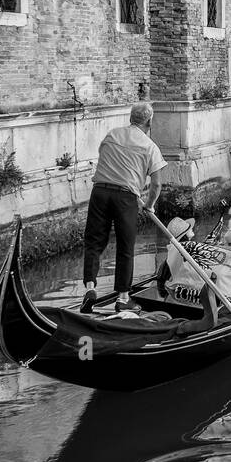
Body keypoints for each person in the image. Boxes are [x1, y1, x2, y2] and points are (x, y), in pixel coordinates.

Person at [81, 103, 167, 314]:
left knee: (93, 242)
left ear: (131, 118)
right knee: (125, 248)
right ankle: (122, 298)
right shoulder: (150, 147)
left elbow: (105, 157)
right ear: (149, 121)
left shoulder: (112, 135)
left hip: (100, 191)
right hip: (126, 198)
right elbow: (156, 184)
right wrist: (149, 205)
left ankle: (90, 288)